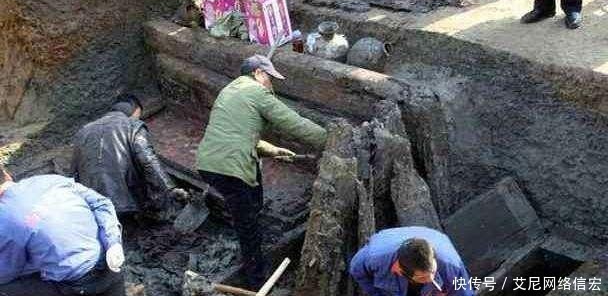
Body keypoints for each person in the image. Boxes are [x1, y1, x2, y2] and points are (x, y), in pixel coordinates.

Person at [197, 54, 327, 289]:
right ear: (258, 73)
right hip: (230, 167)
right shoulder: (256, 91)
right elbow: (292, 122)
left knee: (251, 198)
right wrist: (330, 138)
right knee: (247, 226)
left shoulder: (229, 91)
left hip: (209, 163)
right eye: (270, 78)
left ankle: (253, 232)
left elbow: (239, 135)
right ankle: (256, 281)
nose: (271, 84)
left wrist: (274, 150)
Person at [0, 166, 125, 296]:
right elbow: (101, 203)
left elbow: (7, 272)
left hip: (75, 285)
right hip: (111, 265)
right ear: (7, 174)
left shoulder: (4, 218)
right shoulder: (52, 180)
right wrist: (113, 242)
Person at [72, 95, 188, 216]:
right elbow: (148, 160)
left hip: (92, 204)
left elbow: (74, 173)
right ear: (136, 110)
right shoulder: (133, 125)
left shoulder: (83, 131)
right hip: (126, 202)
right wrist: (170, 188)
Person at [350, 226, 474, 296]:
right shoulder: (373, 258)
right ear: (398, 269)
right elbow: (357, 272)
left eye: (432, 272)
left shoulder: (451, 266)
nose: (431, 279)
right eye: (422, 277)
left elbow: (464, 293)